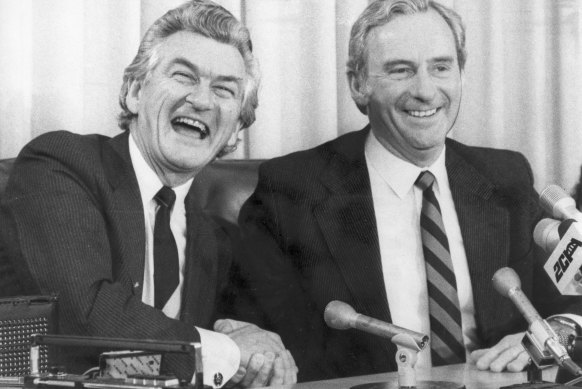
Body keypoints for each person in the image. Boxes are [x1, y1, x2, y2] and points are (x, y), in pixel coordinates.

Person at [237, 0, 582, 382]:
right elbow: (251, 338)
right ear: (357, 84)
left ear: (461, 73)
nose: (425, 90)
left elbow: (572, 304)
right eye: (401, 70)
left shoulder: (506, 178)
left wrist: (550, 335)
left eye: (441, 67)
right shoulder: (291, 190)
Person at [0, 1, 297, 387]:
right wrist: (227, 351)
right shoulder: (60, 164)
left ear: (237, 130)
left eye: (224, 89)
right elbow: (84, 312)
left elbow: (249, 345)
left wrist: (263, 362)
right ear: (135, 91)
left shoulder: (218, 240)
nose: (203, 100)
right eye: (184, 76)